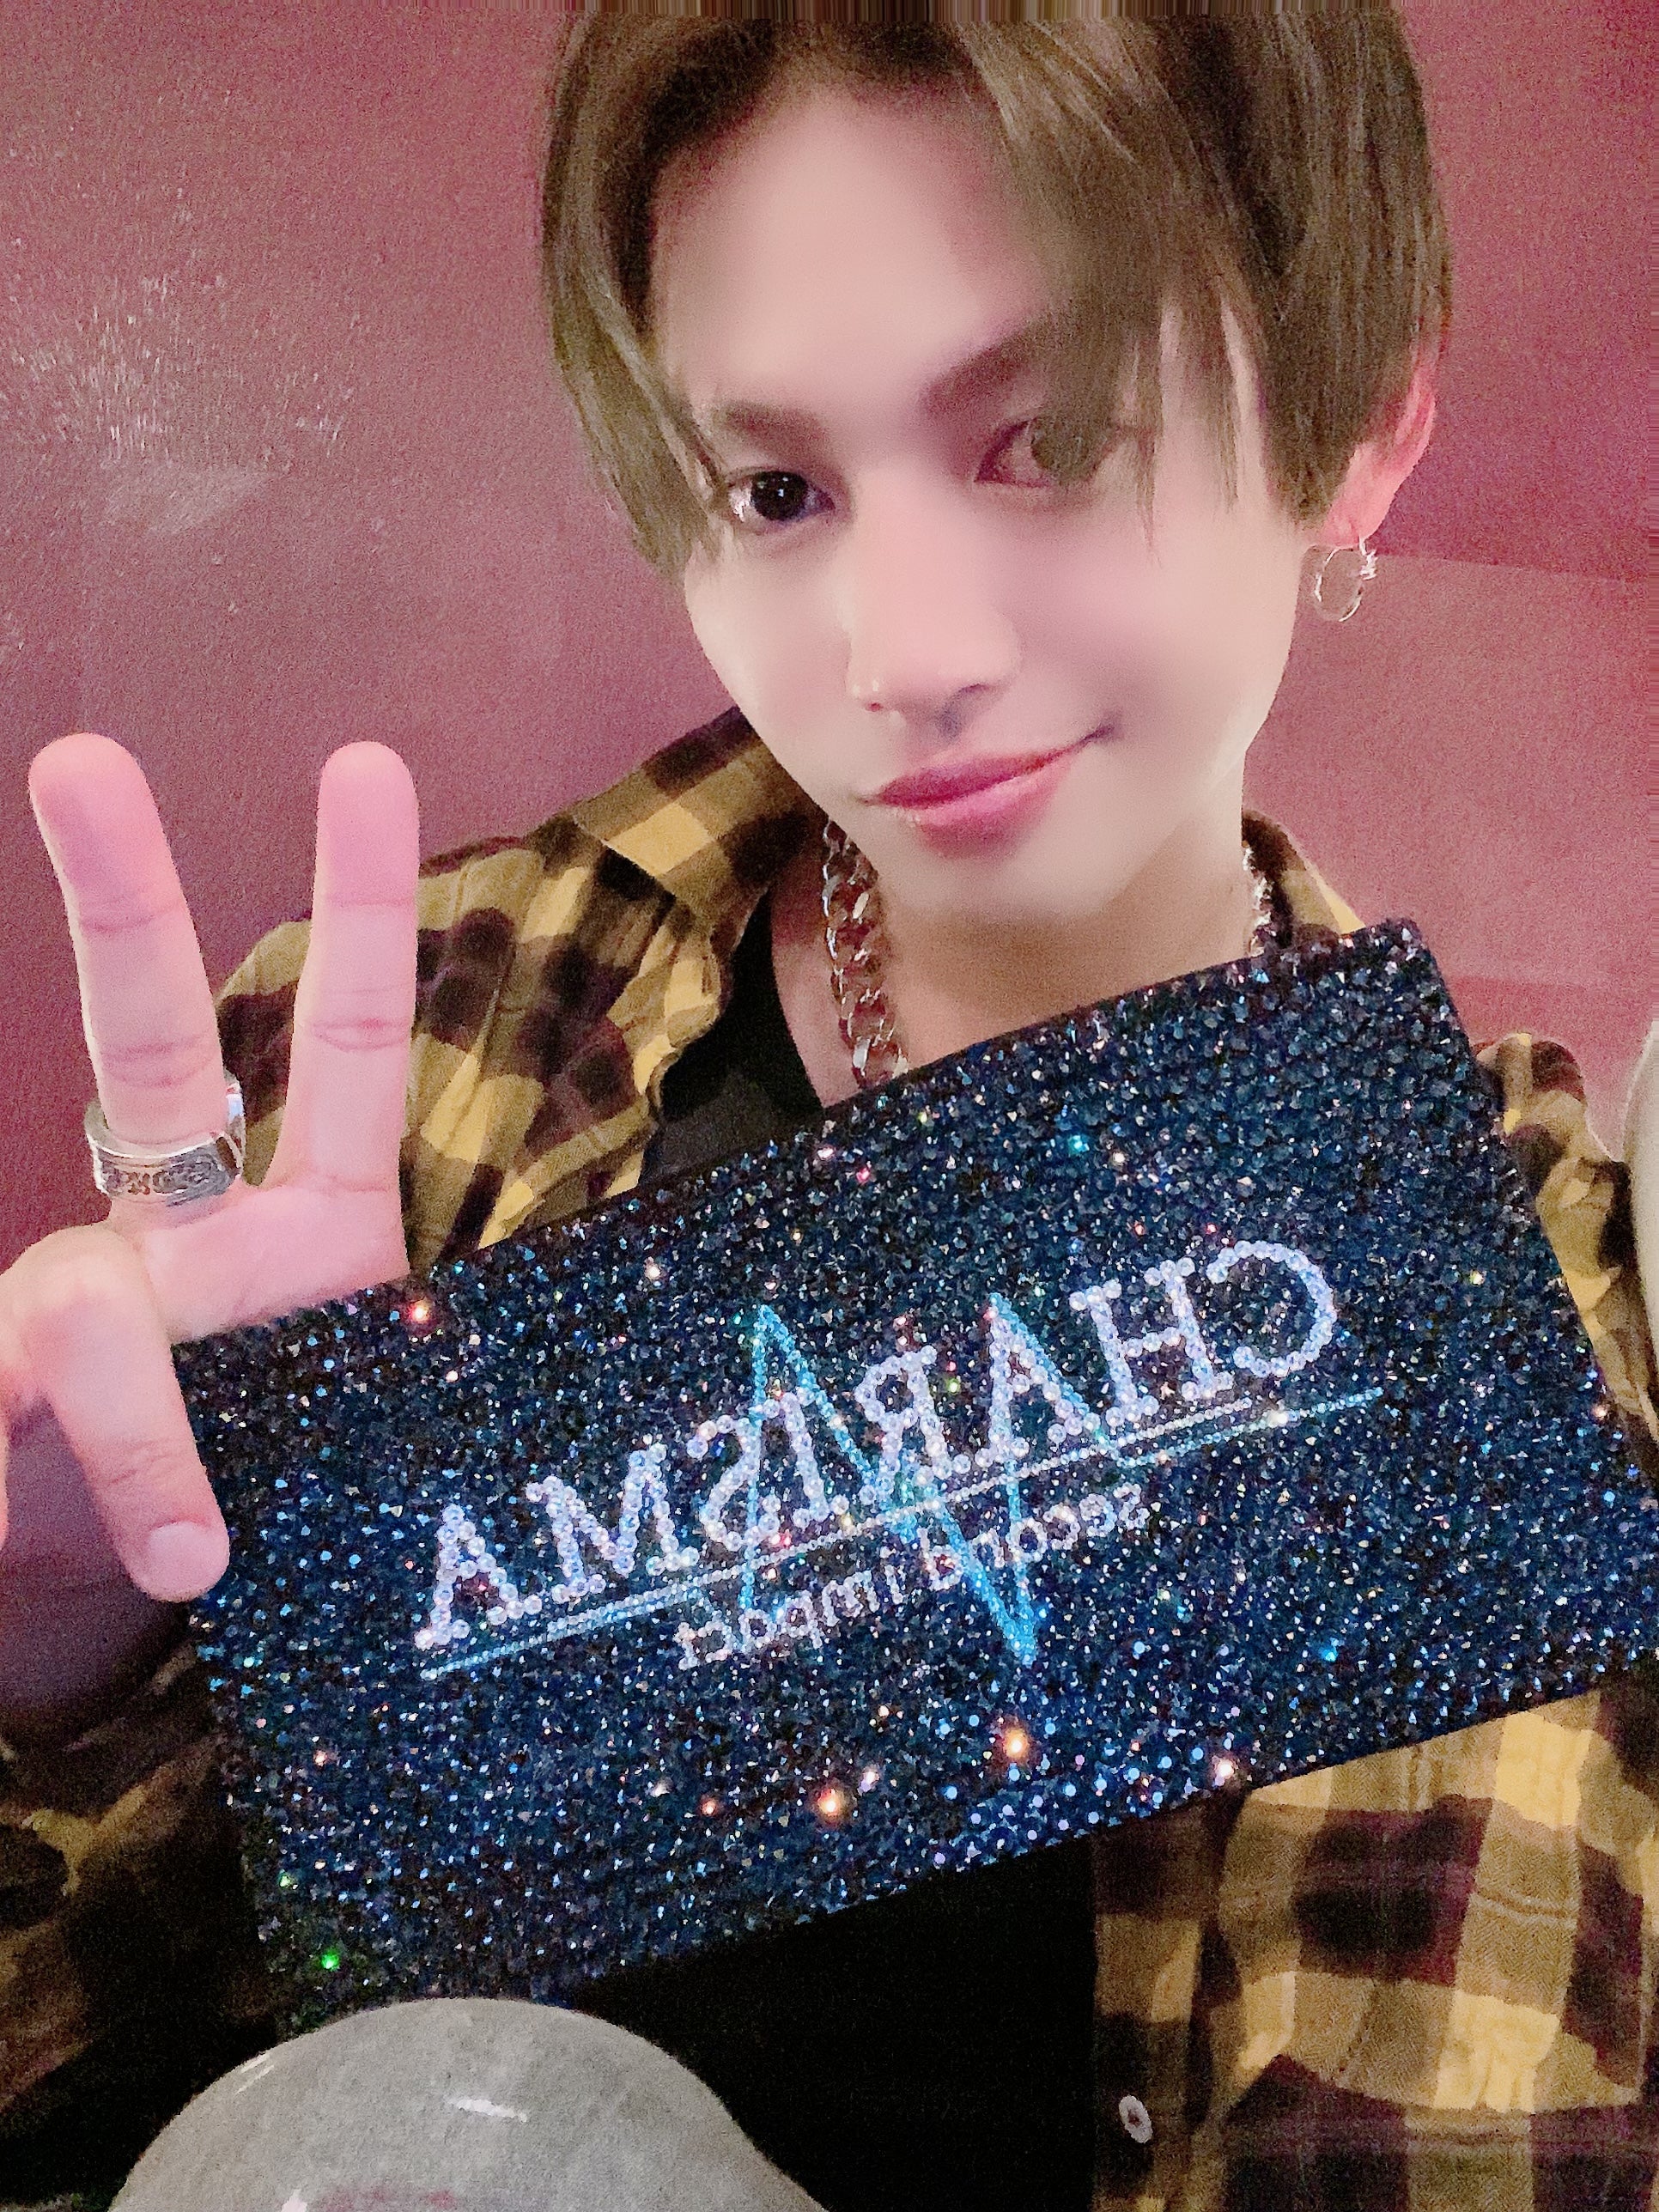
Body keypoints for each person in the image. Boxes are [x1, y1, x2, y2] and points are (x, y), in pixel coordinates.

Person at [0, 15, 1653, 2211]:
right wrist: (71, 1633)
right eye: (776, 492)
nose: (903, 653)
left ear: (1360, 428)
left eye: (1054, 437)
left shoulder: (1530, 1274)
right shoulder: (424, 1060)